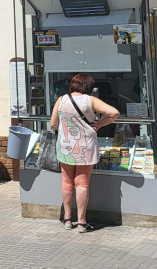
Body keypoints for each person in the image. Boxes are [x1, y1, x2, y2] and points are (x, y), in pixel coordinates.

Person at [49, 73, 119, 233]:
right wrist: (100, 124)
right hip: (85, 147)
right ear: (88, 87)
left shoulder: (61, 100)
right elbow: (114, 113)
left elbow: (53, 124)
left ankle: (67, 219)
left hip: (66, 147)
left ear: (72, 84)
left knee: (66, 182)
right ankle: (81, 222)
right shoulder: (91, 100)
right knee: (82, 183)